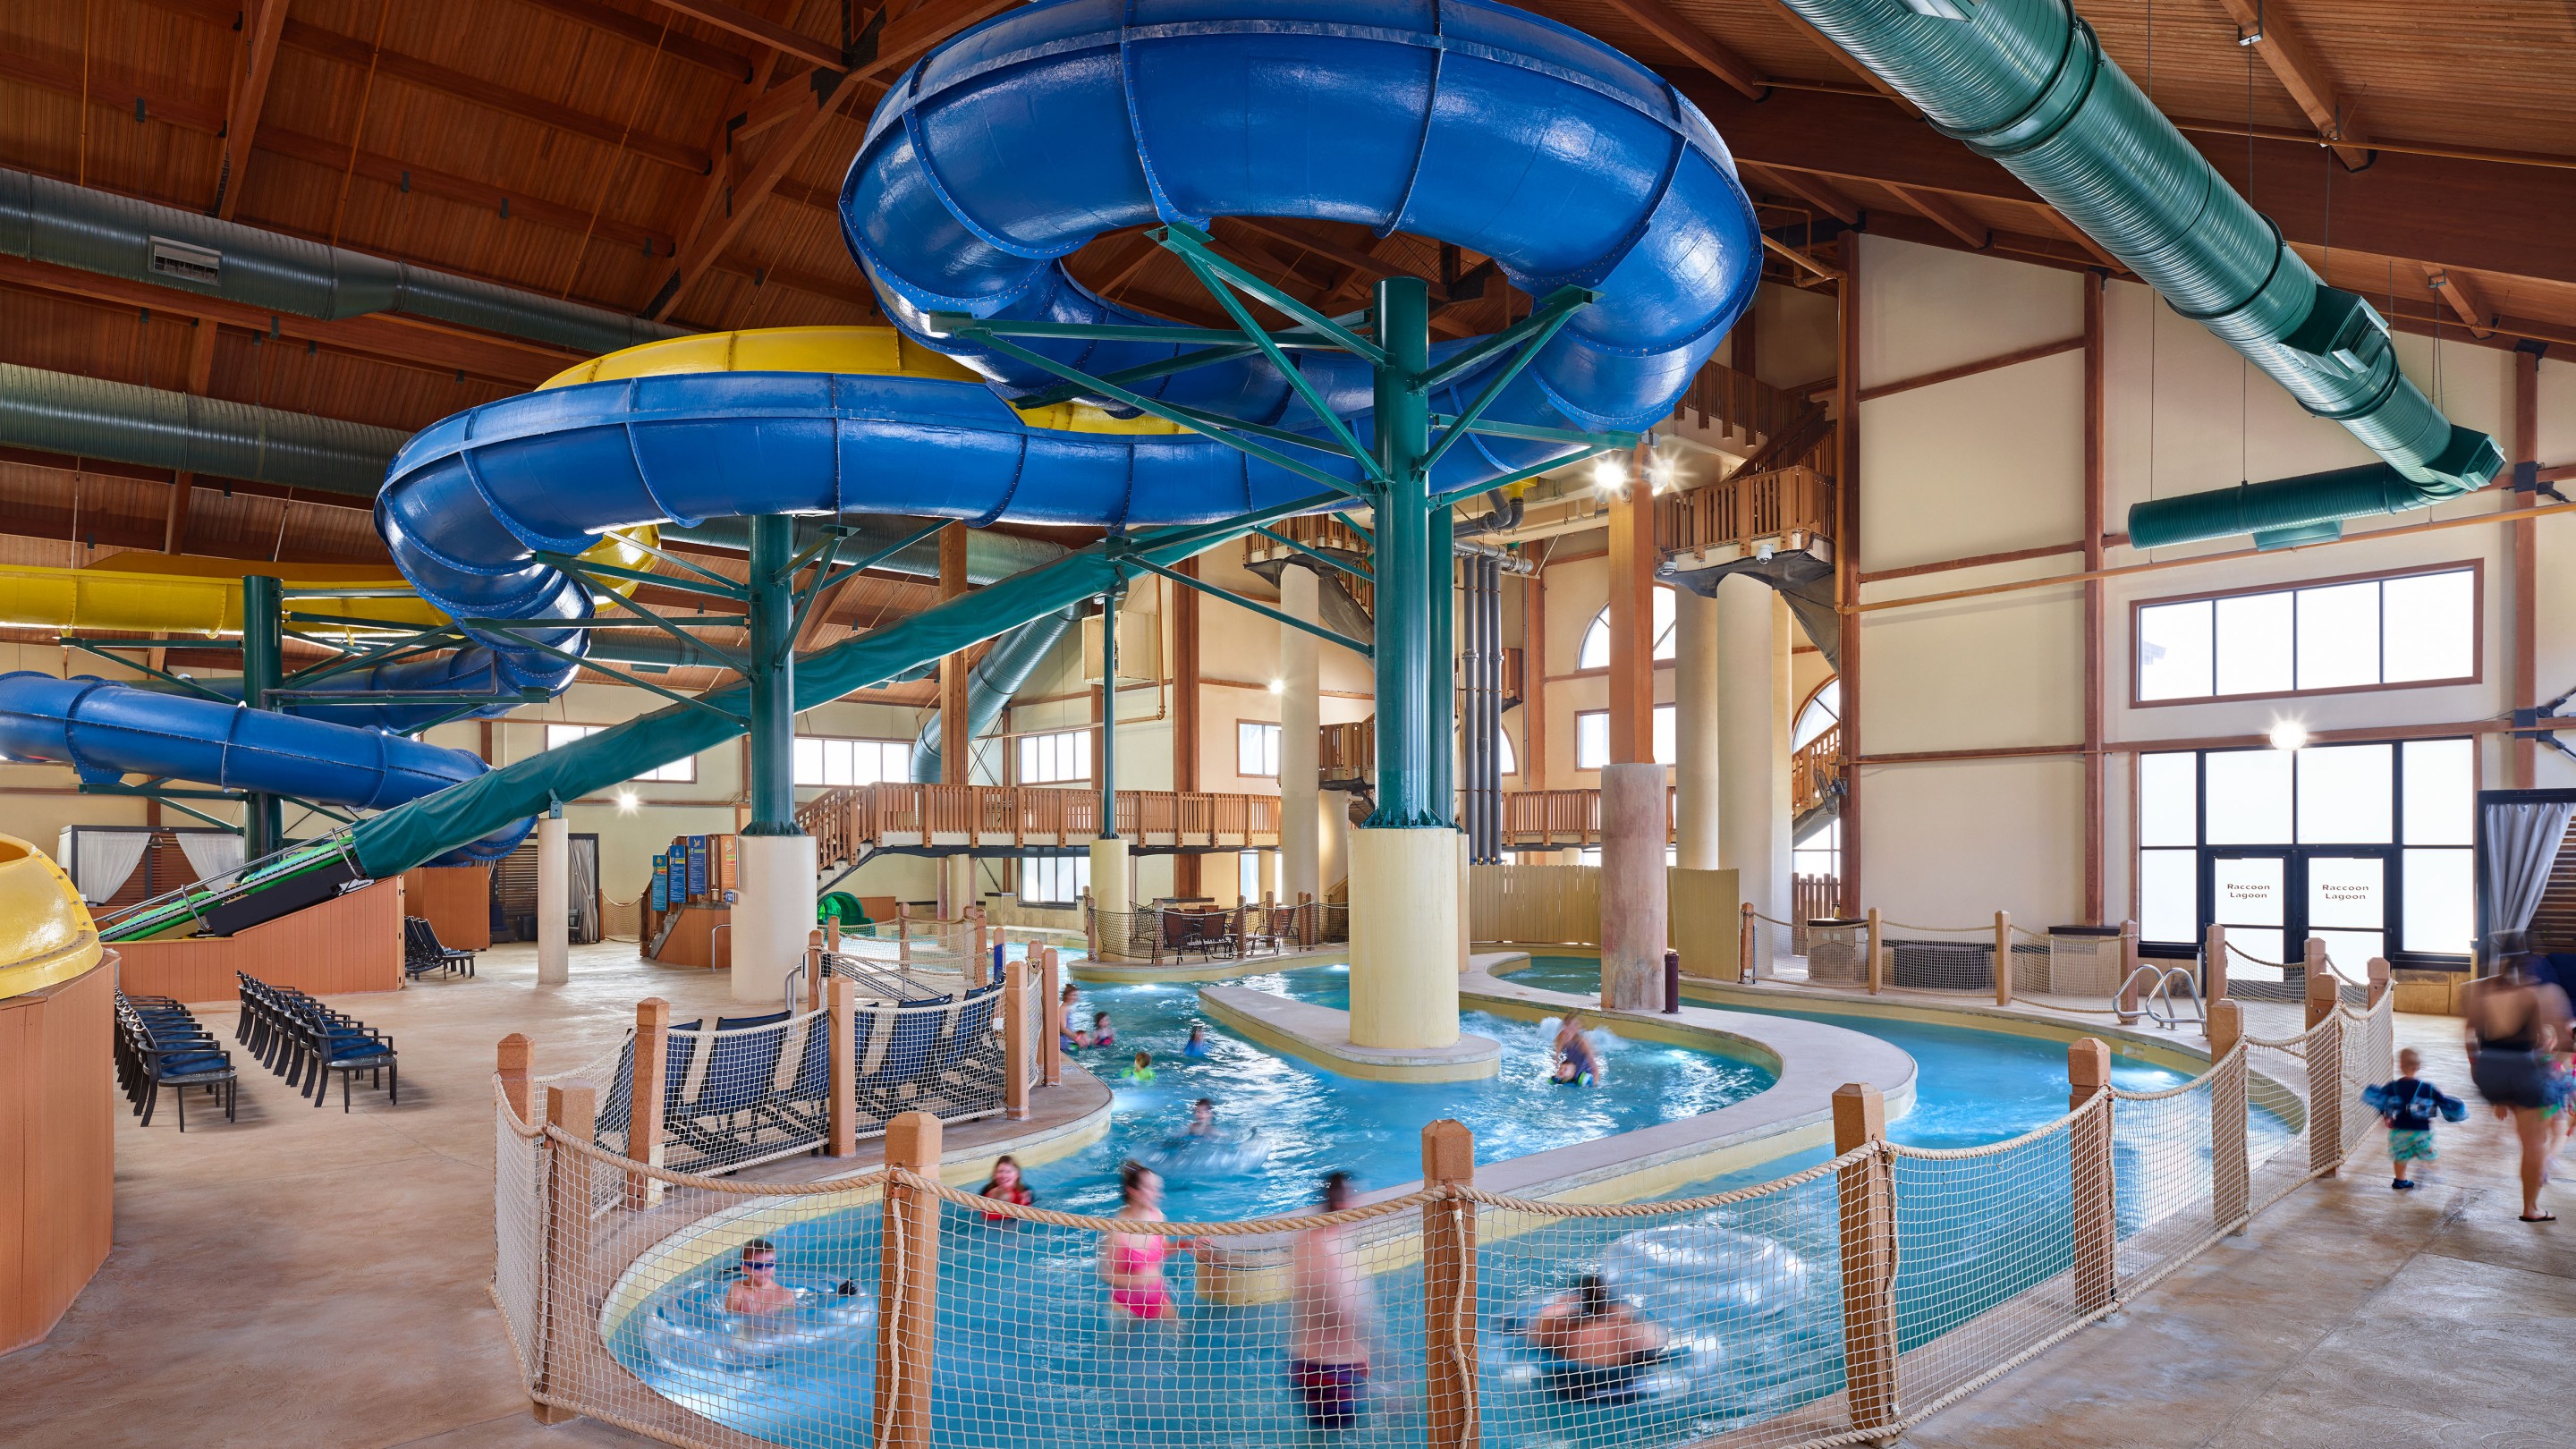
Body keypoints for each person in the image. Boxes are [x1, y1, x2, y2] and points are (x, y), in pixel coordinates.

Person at [2464, 938, 2572, 1224]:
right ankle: (2531, 1208)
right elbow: (2556, 1040)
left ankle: (2501, 1108)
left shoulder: (2479, 991)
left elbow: (2468, 1035)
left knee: (2513, 1109)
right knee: (2534, 1142)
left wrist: (2477, 1069)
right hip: (2523, 1069)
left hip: (2488, 1069)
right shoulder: (2542, 993)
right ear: (2530, 961)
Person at [1286, 1172, 1371, 1429]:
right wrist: (1356, 1350)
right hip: (1332, 1370)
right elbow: (1339, 1311)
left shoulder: (1307, 1239)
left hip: (1305, 1361)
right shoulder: (1330, 1249)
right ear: (1345, 1204)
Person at [1526, 1275, 1665, 1402]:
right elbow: (1653, 1346)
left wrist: (1558, 1309)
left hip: (1569, 1389)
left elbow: (1538, 1338)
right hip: (1628, 1387)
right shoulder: (1623, 1324)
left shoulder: (1565, 1330)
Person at [2362, 1047, 2463, 1191]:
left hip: (2400, 1130)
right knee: (2428, 1152)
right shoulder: (2428, 1088)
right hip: (2422, 1132)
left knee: (2400, 1156)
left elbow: (2382, 1101)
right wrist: (2456, 1112)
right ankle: (2428, 1165)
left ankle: (2400, 1180)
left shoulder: (2393, 1087)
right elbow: (2443, 1101)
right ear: (2418, 1066)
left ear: (2400, 1065)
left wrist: (2386, 1116)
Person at [1100, 1160, 1180, 1321]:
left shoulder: (1157, 1216)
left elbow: (1162, 1249)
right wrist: (1139, 1281)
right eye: (1151, 1189)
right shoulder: (1117, 1229)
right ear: (1133, 1191)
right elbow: (1107, 1276)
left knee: (1181, 1333)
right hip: (1125, 1304)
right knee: (1119, 1338)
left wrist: (1186, 1244)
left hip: (1157, 1298)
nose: (1159, 1194)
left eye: (1157, 1189)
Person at [722, 1239, 798, 1317]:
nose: (764, 1269)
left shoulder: (785, 1295)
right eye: (757, 1265)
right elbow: (730, 1317)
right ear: (744, 1268)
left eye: (770, 1263)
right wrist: (744, 1313)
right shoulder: (738, 1289)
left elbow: (790, 1322)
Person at [980, 1155, 1035, 1223]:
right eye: (1000, 1171)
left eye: (1008, 1172)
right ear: (994, 1174)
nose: (1003, 1175)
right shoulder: (987, 1190)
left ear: (1017, 1174)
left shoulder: (1025, 1192)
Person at [1554, 1013, 1602, 1086]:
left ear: (1576, 1029)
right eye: (1566, 1026)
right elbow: (1556, 1055)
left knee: (1578, 1080)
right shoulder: (1561, 1036)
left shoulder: (1582, 1043)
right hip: (1571, 1067)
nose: (1567, 1031)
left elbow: (1594, 1065)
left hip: (1585, 1069)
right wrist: (1557, 1071)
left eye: (1571, 1028)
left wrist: (1595, 1082)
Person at [1060, 983, 1084, 1049]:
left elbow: (1068, 1027)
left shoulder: (1067, 1007)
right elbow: (1063, 1029)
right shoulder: (1063, 1008)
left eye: (1076, 995)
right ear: (1067, 995)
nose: (1076, 997)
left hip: (1069, 1042)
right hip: (1064, 1045)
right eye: (1073, 995)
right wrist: (1077, 1039)